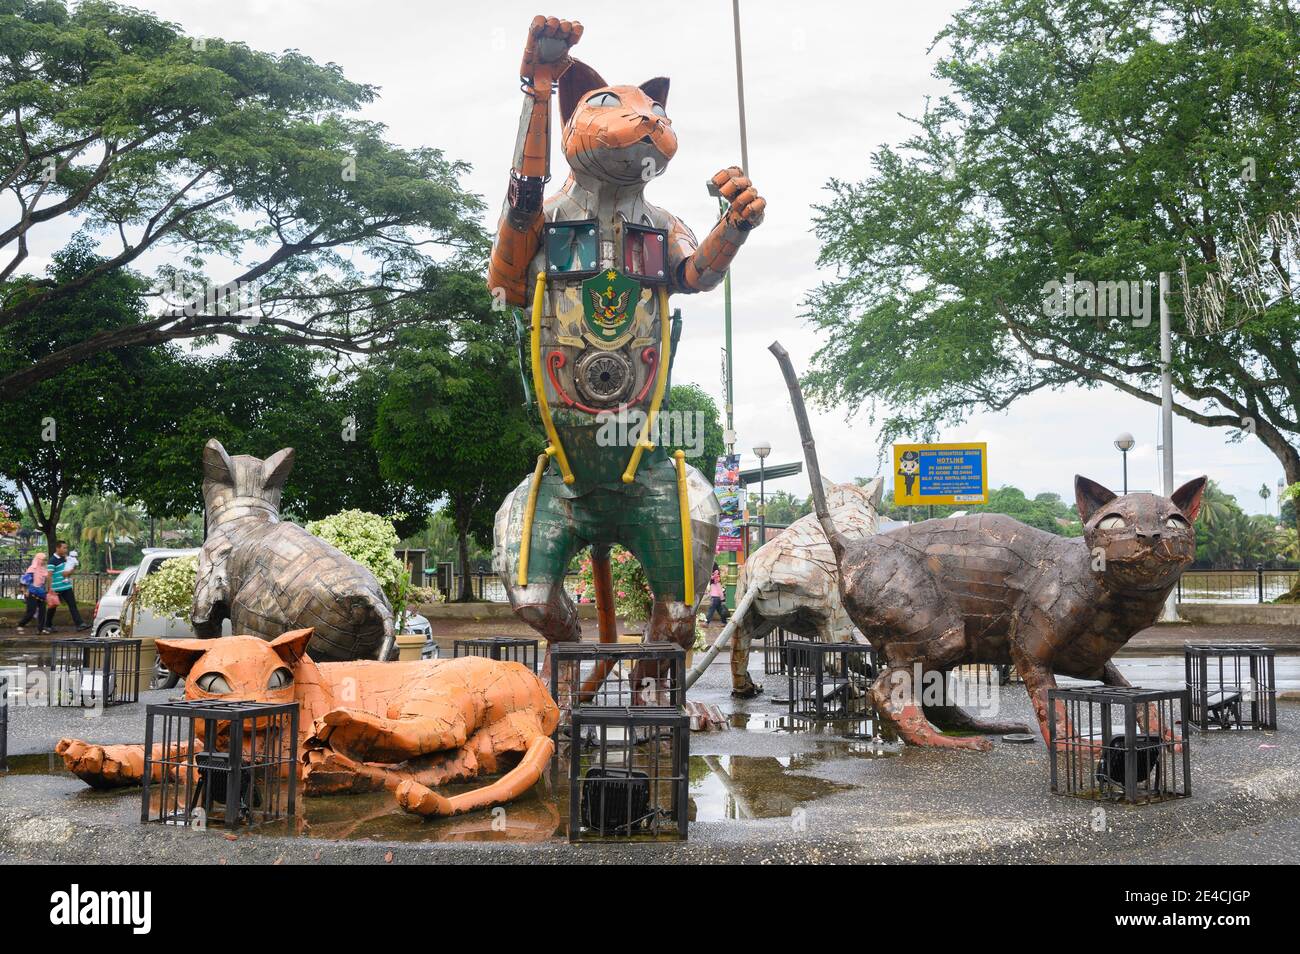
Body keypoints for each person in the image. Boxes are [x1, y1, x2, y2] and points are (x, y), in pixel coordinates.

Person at [48, 539, 89, 631]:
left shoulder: (66, 559)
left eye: (66, 548)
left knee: (72, 605)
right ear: (58, 548)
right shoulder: (52, 560)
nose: (66, 550)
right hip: (56, 588)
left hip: (66, 586)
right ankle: (47, 625)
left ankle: (80, 624)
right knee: (52, 607)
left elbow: (68, 572)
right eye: (64, 548)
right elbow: (49, 575)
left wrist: (72, 568)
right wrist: (50, 589)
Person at [16, 552, 52, 634]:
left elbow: (45, 581)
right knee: (31, 612)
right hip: (31, 593)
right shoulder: (32, 569)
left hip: (42, 593)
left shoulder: (44, 569)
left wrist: (48, 590)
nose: (44, 561)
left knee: (42, 612)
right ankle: (20, 625)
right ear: (38, 560)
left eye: (45, 560)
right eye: (43, 560)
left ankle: (41, 629)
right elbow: (23, 581)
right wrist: (25, 591)